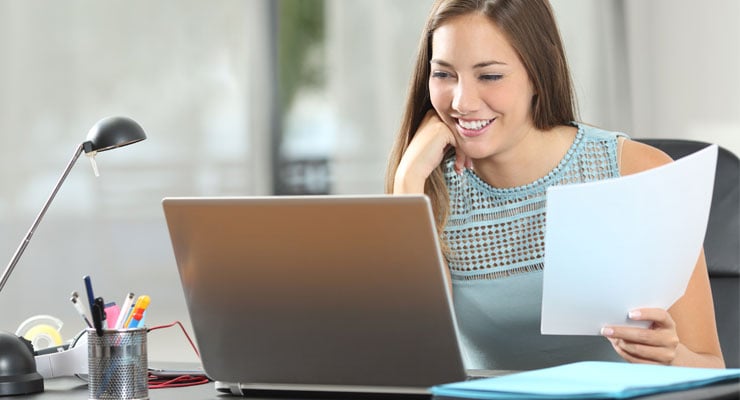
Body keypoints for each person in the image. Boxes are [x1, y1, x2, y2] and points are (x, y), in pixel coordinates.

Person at [385, 0, 725, 370]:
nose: (462, 102)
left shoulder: (640, 172)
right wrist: (408, 181)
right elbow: (413, 365)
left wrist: (671, 356)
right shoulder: (427, 185)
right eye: (444, 74)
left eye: (490, 76)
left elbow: (712, 368)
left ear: (537, 75)